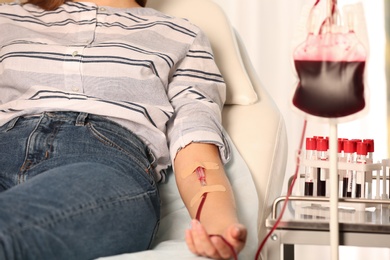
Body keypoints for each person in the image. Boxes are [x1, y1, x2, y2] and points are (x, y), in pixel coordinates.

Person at [0, 0, 247, 259]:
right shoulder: (7, 16)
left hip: (101, 163)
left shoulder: (181, 34)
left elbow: (195, 141)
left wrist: (218, 225)